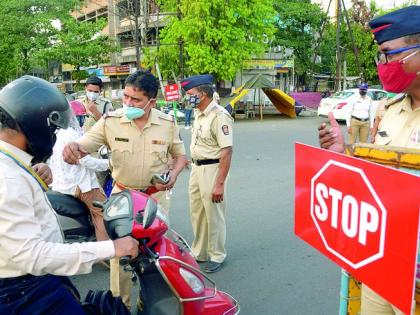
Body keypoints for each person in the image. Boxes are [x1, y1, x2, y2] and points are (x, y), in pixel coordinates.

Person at [0, 75, 138, 314]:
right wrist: (112, 248)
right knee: (100, 214)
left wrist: (32, 173)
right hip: (25, 288)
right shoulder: (8, 177)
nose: (53, 136)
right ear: (34, 123)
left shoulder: (12, 165)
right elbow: (33, 255)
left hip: (31, 280)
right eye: (52, 128)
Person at [318, 5, 420, 314]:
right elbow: (373, 180)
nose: (382, 64)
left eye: (388, 53)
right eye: (380, 56)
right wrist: (343, 152)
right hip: (383, 258)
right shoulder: (387, 111)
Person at [63, 70, 187, 309]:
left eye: (136, 100)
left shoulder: (166, 124)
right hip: (122, 201)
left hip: (155, 200)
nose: (128, 103)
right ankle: (121, 306)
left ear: (151, 101)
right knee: (120, 259)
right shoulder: (110, 121)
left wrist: (172, 175)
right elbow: (83, 145)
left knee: (157, 257)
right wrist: (72, 149)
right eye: (126, 97)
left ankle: (151, 301)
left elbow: (180, 156)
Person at [180, 74, 233, 273]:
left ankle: (217, 254)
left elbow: (226, 151)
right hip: (196, 168)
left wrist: (219, 183)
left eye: (190, 94)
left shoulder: (219, 116)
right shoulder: (198, 113)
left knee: (214, 214)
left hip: (212, 169)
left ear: (202, 94)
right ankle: (199, 252)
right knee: (198, 212)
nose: (187, 98)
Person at [49, 111, 109, 241]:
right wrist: (110, 164)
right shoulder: (72, 134)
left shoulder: (55, 134)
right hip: (80, 185)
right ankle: (106, 251)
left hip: (60, 184)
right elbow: (87, 161)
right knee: (103, 214)